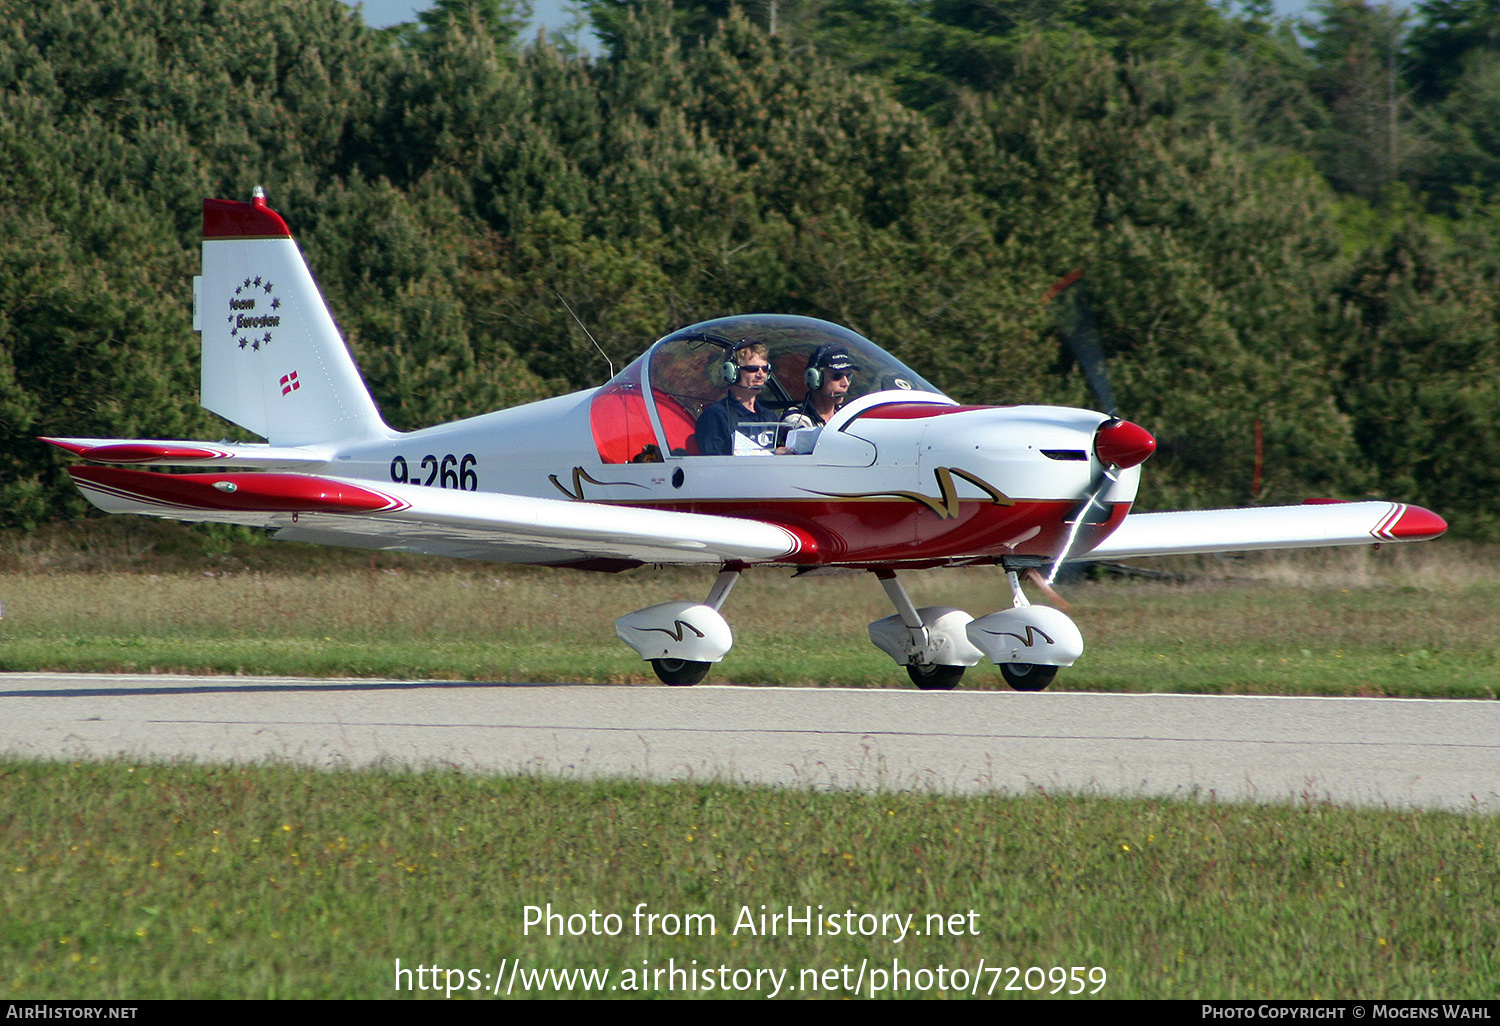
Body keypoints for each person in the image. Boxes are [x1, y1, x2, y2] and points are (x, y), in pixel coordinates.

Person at [694, 343, 772, 455]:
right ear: (732, 372)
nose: (761, 375)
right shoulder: (716, 415)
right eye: (752, 369)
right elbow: (713, 465)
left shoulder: (768, 416)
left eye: (764, 369)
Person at [785, 345, 855, 429]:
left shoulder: (848, 416)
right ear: (815, 378)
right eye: (837, 376)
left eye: (848, 376)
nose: (845, 383)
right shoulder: (796, 419)